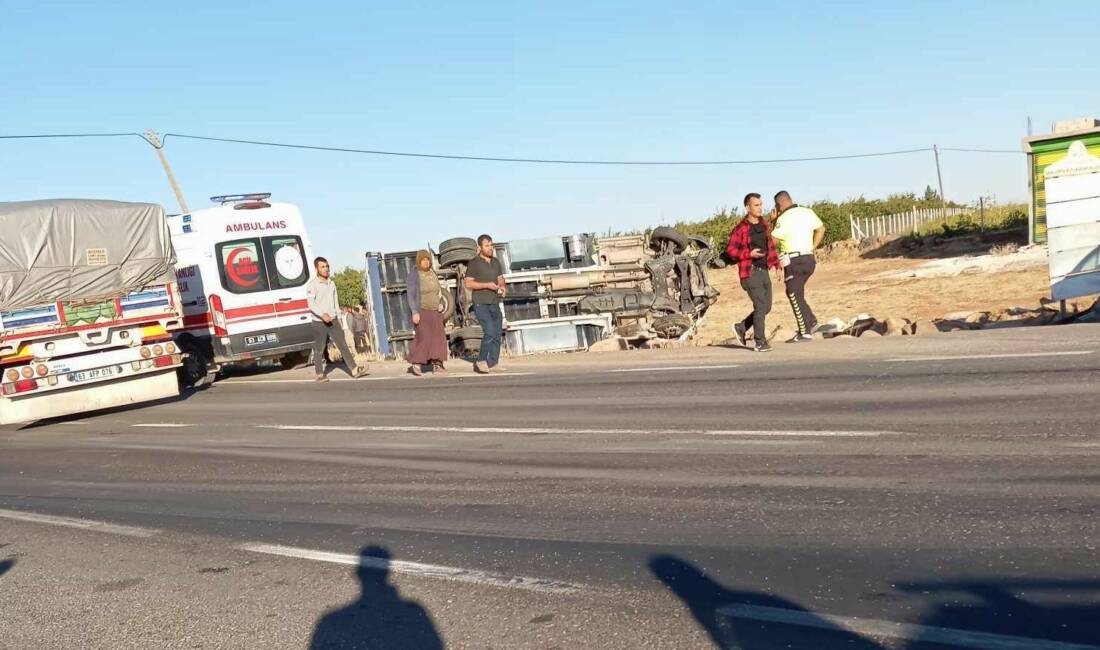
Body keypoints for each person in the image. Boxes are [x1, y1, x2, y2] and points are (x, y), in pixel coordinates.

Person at [727, 193, 780, 352]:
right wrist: (748, 255)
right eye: (756, 205)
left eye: (760, 204)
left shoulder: (764, 224)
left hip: (764, 271)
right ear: (747, 208)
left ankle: (742, 327)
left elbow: (770, 245)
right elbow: (730, 250)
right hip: (750, 272)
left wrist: (776, 264)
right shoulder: (741, 228)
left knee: (766, 307)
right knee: (760, 305)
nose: (760, 208)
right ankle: (759, 342)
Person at [770, 191, 825, 342]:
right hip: (809, 258)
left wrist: (773, 222)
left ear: (779, 205)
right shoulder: (807, 211)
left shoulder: (784, 218)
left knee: (793, 293)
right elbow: (821, 229)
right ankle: (811, 322)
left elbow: (773, 241)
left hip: (794, 260)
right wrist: (813, 247)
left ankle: (804, 331)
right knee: (798, 292)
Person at [306, 256, 367, 381]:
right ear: (317, 269)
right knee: (320, 347)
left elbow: (335, 302)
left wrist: (338, 317)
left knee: (343, 345)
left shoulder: (332, 283)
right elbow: (311, 304)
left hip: (333, 320)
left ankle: (354, 370)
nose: (326, 269)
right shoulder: (312, 285)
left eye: (327, 266)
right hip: (319, 322)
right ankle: (320, 374)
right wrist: (322, 314)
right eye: (322, 267)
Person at [463, 234, 506, 374]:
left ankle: (493, 362)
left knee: (497, 332)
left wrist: (502, 287)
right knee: (489, 332)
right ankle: (481, 360)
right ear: (479, 247)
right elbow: (468, 283)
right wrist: (487, 285)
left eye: (491, 245)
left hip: (494, 302)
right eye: (487, 245)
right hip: (481, 303)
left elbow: (500, 279)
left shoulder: (495, 262)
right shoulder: (474, 263)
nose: (490, 248)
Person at [406, 250, 449, 376]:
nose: (426, 262)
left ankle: (437, 365)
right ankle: (416, 363)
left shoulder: (432, 273)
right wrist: (414, 312)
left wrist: (441, 302)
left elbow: (439, 291)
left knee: (438, 338)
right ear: (419, 261)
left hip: (435, 311)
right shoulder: (414, 275)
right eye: (423, 260)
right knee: (424, 338)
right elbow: (411, 295)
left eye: (428, 259)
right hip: (422, 310)